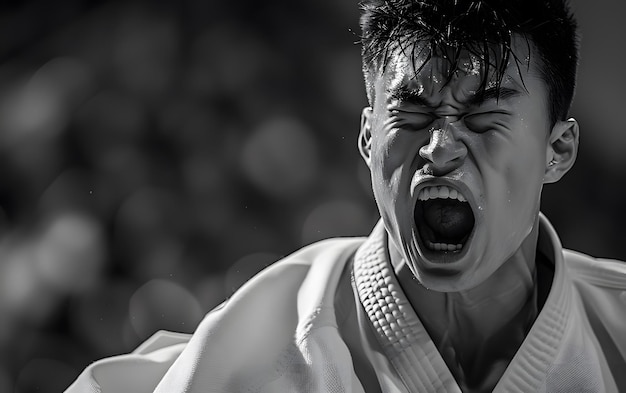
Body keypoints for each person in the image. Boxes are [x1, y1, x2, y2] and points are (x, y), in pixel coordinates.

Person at [66, 0, 626, 392]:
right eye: (412, 111)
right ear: (367, 138)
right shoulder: (236, 359)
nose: (441, 147)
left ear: (559, 149)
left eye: (484, 116)